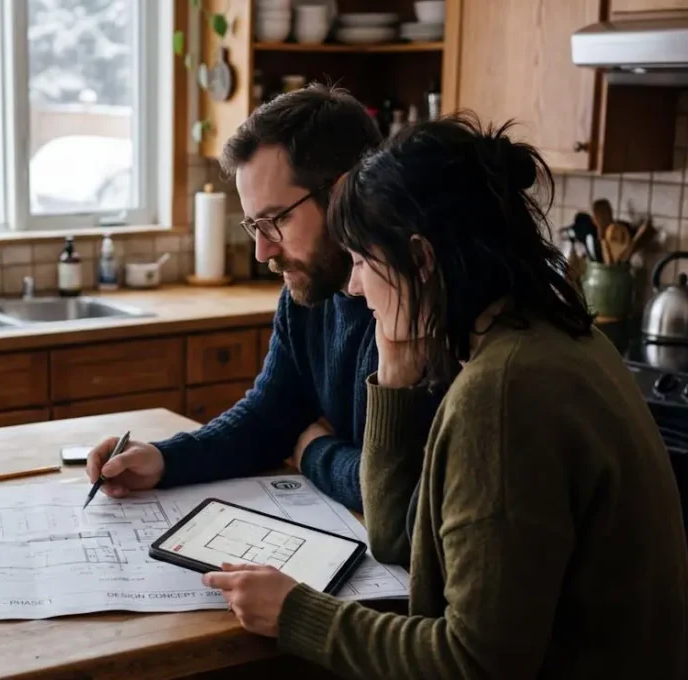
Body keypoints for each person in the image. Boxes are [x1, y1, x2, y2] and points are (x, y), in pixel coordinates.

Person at [202, 115, 688, 678]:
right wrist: (394, 367)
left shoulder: (503, 392)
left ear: (421, 261)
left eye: (365, 262)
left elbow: (474, 664)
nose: (352, 286)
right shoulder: (555, 337)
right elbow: (399, 538)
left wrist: (295, 613)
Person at [86, 84, 431, 514]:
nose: (262, 252)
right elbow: (270, 418)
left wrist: (311, 447)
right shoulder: (309, 290)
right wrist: (163, 459)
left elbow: (399, 493)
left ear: (345, 193)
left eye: (277, 220)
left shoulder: (419, 308)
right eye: (255, 226)